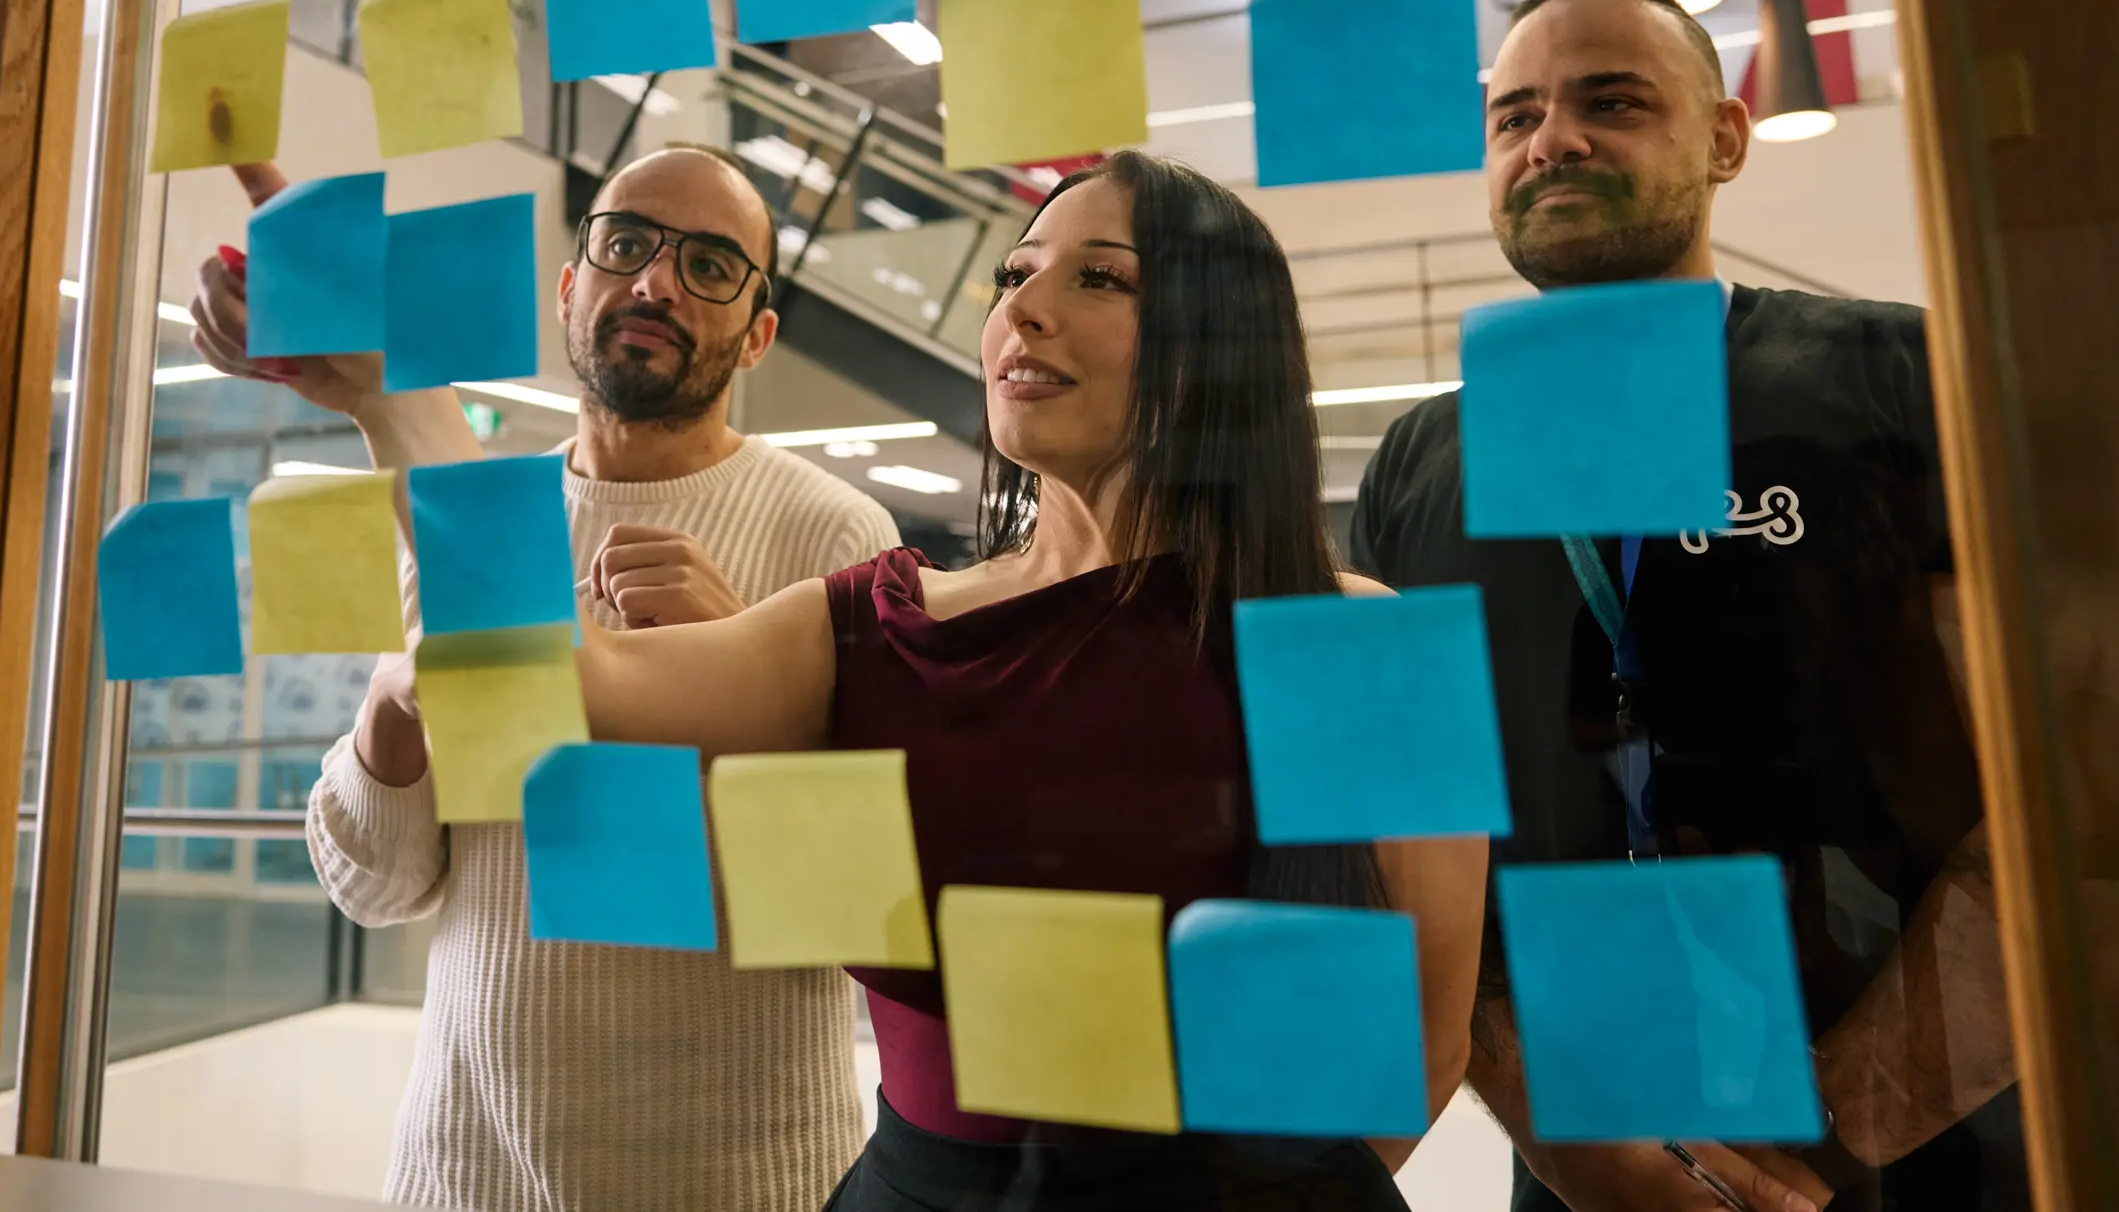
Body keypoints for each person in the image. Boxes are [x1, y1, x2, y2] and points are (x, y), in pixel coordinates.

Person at [529, 150, 1488, 1210]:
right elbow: (576, 676)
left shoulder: (1360, 643)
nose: (1022, 308)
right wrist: (397, 410)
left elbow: (1421, 1050)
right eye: (1013, 275)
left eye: (1099, 278)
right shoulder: (877, 618)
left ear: (1219, 342)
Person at [1352, 0, 2024, 1212]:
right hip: (1585, 1153)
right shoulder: (1421, 460)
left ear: (1723, 140)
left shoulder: (1898, 375)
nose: (1553, 138)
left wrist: (1832, 1132)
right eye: (1515, 117)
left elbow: (2069, 796)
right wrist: (1578, 1153)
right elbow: (1407, 844)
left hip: (1925, 1138)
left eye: (1611, 100)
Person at [188, 146, 901, 1212]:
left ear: (757, 335)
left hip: (730, 1176)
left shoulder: (836, 530)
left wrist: (742, 669)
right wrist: (391, 707)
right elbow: (375, 883)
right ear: (571, 291)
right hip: (464, 1167)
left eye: (710, 265)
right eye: (625, 244)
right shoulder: (474, 511)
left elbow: (863, 917)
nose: (655, 281)